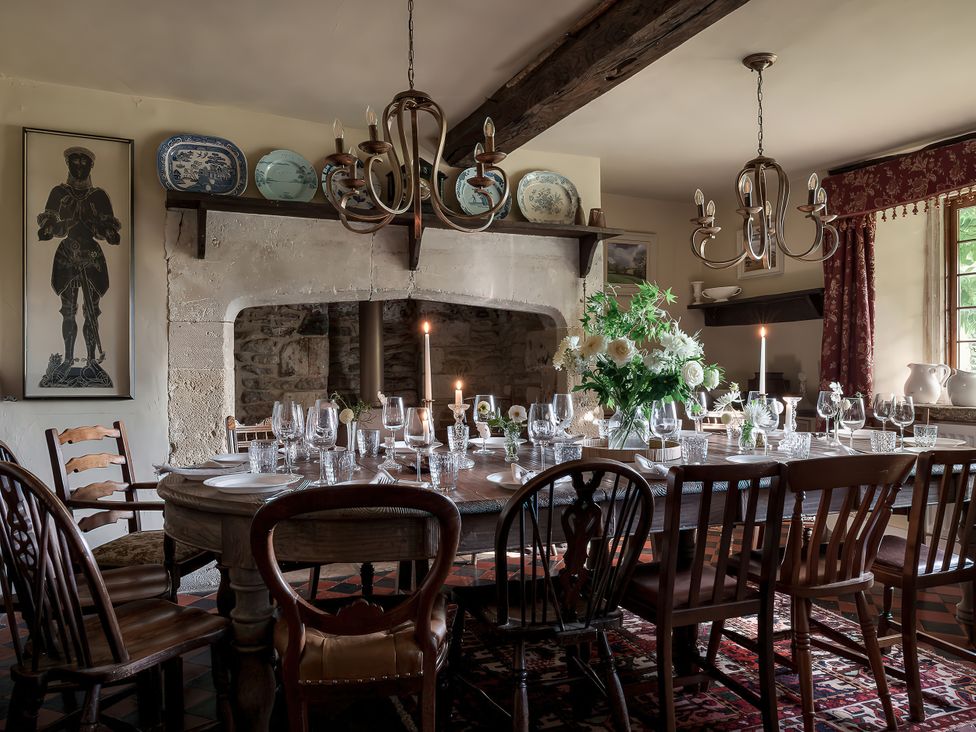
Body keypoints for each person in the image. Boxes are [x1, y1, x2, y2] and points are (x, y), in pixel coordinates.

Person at [36, 146, 120, 387]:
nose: (79, 167)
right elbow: (47, 230)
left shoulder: (99, 196)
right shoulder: (58, 193)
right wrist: (50, 228)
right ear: (68, 164)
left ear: (90, 166)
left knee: (92, 311)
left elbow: (109, 233)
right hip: (66, 254)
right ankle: (69, 358)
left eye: (84, 163)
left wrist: (107, 230)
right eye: (75, 162)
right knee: (68, 309)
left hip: (92, 255)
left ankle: (92, 360)